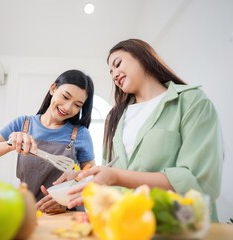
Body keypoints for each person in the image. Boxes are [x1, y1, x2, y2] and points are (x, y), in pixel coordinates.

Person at [66, 39, 223, 222]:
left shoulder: (192, 102)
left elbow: (198, 182)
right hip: (127, 227)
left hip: (180, 227)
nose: (115, 74)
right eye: (111, 72)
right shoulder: (114, 118)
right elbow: (108, 179)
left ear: (142, 56)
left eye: (118, 64)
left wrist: (117, 177)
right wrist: (83, 182)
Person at [0, 69, 95, 213]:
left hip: (67, 213)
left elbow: (92, 182)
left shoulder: (81, 134)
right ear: (53, 89)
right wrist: (11, 143)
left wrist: (65, 202)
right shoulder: (23, 124)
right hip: (29, 212)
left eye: (77, 105)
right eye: (65, 97)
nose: (68, 108)